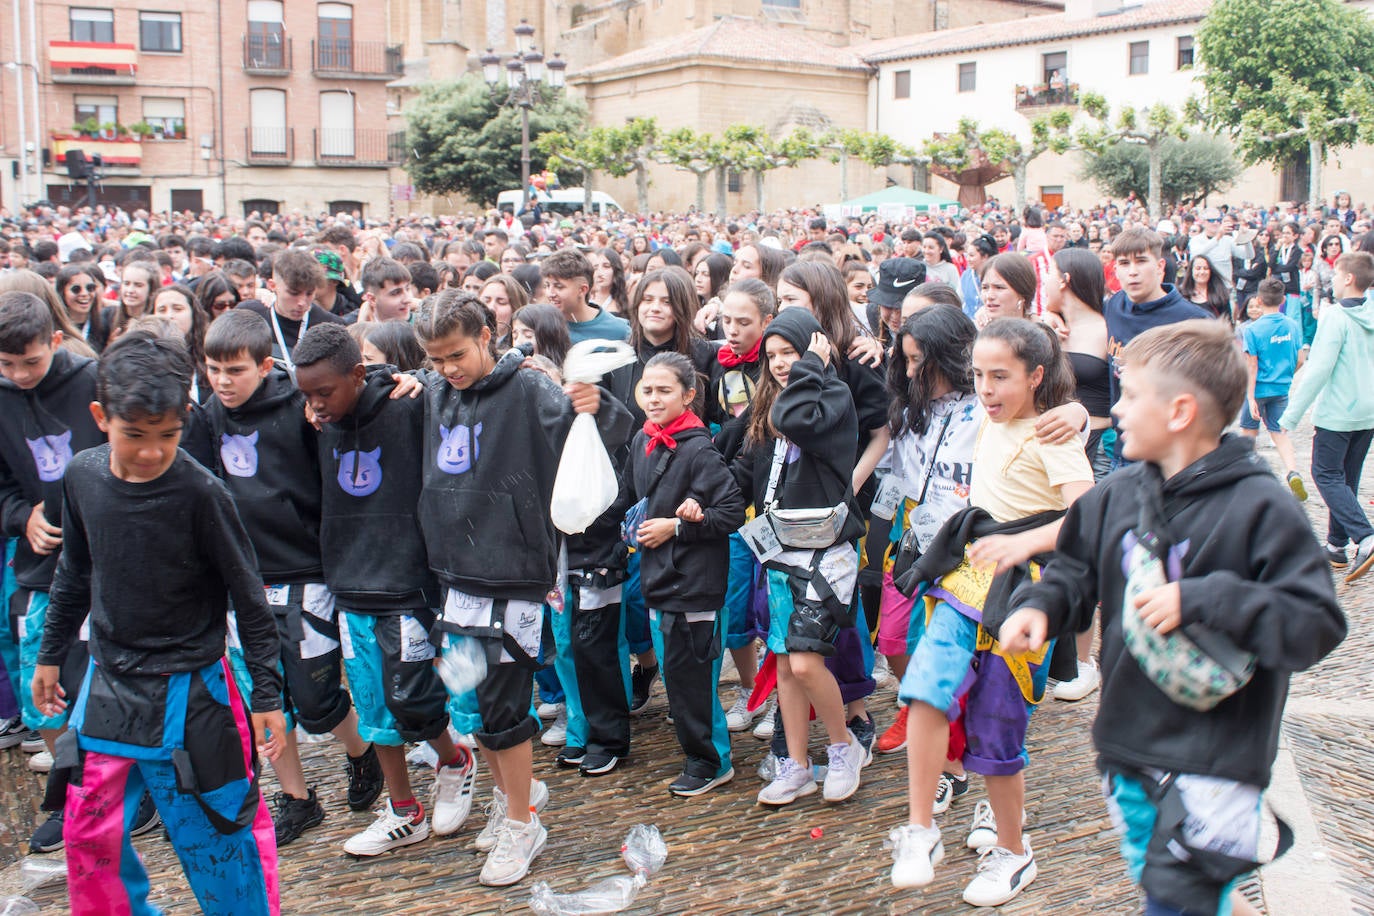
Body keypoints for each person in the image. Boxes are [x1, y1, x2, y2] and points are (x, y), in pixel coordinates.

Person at [1002, 319, 1345, 916]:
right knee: (1182, 892)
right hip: (1127, 743)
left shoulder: (1262, 507)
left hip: (1218, 757)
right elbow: (1075, 570)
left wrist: (1204, 599)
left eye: (1131, 396)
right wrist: (1039, 607)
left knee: (1175, 899)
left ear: (1181, 411)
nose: (1116, 408)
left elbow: (1316, 620)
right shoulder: (1116, 494)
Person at [33, 332, 286, 916]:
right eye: (134, 436)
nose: (150, 452)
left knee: (218, 835)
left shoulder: (202, 492)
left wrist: (268, 694)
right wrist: (49, 656)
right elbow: (74, 569)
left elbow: (249, 598)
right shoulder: (82, 476)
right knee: (88, 835)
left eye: (167, 436)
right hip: (107, 679)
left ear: (185, 419)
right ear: (102, 417)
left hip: (193, 689)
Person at [416, 290, 633, 886]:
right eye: (435, 360)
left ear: (488, 335)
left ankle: (521, 822)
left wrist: (598, 406)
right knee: (473, 696)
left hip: (516, 575)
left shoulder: (534, 388)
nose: (448, 370)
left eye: (456, 355)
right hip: (455, 574)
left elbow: (612, 433)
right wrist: (403, 380)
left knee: (506, 705)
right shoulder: (433, 390)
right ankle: (518, 789)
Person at [887, 318, 1093, 908]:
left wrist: (1075, 413)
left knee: (998, 729)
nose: (986, 388)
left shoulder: (1052, 434)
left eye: (1001, 376)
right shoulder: (979, 415)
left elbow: (1087, 518)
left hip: (1026, 593)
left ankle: (1012, 849)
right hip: (968, 577)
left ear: (1035, 376)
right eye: (979, 375)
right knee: (926, 687)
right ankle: (921, 829)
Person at [291, 323, 481, 857]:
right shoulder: (317, 416)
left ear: (357, 375)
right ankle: (403, 810)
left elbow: (460, 388)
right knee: (374, 705)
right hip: (348, 582)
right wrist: (313, 404)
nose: (316, 404)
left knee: (414, 698)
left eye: (324, 393)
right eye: (307, 395)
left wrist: (420, 377)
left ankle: (453, 758)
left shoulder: (408, 403)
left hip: (404, 581)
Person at [201, 310, 382, 847]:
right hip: (244, 577)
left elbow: (365, 383)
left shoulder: (300, 402)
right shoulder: (211, 413)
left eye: (234, 370)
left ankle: (360, 750)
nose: (223, 381)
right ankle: (297, 798)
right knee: (266, 696)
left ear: (264, 365)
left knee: (316, 695)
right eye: (213, 369)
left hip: (305, 571)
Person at [0, 290, 126, 854]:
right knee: (41, 686)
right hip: (38, 564)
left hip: (104, 559)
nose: (21, 375)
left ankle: (116, 792)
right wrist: (19, 515)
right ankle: (71, 789)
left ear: (54, 342)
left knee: (105, 684)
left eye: (31, 361)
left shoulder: (93, 379)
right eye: (7, 365)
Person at [736, 309, 868, 808]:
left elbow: (794, 417)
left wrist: (814, 364)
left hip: (824, 552)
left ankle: (843, 745)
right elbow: (745, 464)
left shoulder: (830, 397)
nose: (780, 365)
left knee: (810, 662)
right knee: (787, 664)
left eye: (789, 352)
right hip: (779, 549)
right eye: (771, 357)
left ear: (814, 350)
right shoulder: (768, 407)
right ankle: (797, 764)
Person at [626, 351, 745, 796]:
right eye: (647, 390)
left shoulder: (698, 449)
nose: (653, 399)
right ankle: (698, 754)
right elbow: (633, 499)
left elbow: (731, 511)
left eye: (664, 391)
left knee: (693, 679)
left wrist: (678, 527)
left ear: (689, 396)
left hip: (696, 584)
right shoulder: (644, 440)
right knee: (677, 678)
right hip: (660, 579)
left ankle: (711, 761)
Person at [706, 279, 775, 734]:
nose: (732, 330)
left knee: (770, 607)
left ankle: (776, 697)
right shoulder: (717, 364)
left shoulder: (780, 365)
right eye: (726, 320)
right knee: (735, 606)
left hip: (769, 503)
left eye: (743, 322)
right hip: (732, 503)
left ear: (767, 322)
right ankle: (751, 691)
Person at [1280, 251, 1374, 581]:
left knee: (1325, 474)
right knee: (1347, 478)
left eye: (1335, 275)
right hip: (1368, 410)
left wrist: (1291, 415)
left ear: (1348, 278)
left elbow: (1319, 368)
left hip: (1338, 411)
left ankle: (1365, 536)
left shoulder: (1335, 316)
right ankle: (1336, 545)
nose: (1332, 281)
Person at [1240, 278, 1307, 500]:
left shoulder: (1252, 329)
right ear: (1283, 300)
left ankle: (1250, 480)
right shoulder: (1292, 325)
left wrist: (1249, 397)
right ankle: (1292, 471)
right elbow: (1300, 359)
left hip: (1257, 390)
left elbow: (1252, 364)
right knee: (1280, 434)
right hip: (1280, 389)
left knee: (1249, 435)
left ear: (1258, 301)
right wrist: (1286, 376)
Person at [236, 250, 344, 370]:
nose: (302, 303)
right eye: (294, 293)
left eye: (309, 293)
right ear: (272, 285)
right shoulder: (247, 316)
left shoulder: (332, 327)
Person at [542, 249, 630, 344]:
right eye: (547, 285)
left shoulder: (619, 331)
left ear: (582, 289)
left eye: (559, 287)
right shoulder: (543, 328)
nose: (550, 294)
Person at [353, 256, 416, 325]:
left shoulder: (422, 327)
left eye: (407, 289)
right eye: (396, 293)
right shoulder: (352, 328)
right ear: (372, 299)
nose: (407, 299)